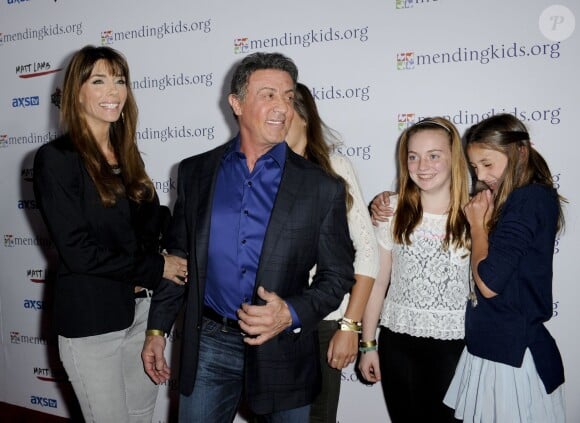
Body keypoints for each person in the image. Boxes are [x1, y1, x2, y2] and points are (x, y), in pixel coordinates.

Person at [141, 52, 355, 423]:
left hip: (283, 347)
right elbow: (178, 257)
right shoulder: (195, 172)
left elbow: (337, 276)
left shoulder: (321, 187)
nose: (282, 107)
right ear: (236, 104)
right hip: (208, 344)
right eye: (268, 94)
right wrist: (157, 328)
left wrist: (288, 313)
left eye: (288, 97)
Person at [33, 45, 187, 422]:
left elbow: (155, 223)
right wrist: (158, 267)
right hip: (92, 325)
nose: (113, 91)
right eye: (98, 81)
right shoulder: (57, 159)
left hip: (141, 315)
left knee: (141, 415)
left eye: (120, 81)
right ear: (76, 91)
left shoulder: (126, 153)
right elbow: (79, 251)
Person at [443, 114, 566, 422]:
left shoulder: (528, 199)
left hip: (511, 354)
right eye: (475, 167)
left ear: (520, 151)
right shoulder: (514, 199)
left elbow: (488, 282)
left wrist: (478, 226)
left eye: (488, 164)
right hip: (495, 347)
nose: (482, 175)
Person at [359, 117, 471, 422]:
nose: (422, 165)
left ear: (453, 159)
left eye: (434, 155)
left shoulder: (476, 213)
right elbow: (378, 281)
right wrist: (368, 344)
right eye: (413, 156)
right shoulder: (392, 210)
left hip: (457, 346)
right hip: (398, 344)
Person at [285, 82, 379, 423]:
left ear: (305, 116)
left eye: (288, 106)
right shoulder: (261, 172)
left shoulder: (335, 168)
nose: (278, 115)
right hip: (274, 320)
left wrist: (349, 326)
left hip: (325, 321)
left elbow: (367, 256)